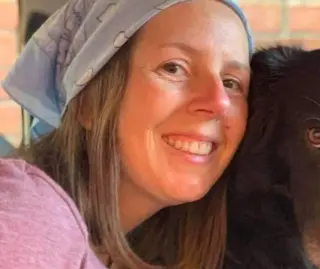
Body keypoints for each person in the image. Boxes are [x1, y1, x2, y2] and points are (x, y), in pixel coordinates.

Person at [0, 0, 253, 268]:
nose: (219, 102)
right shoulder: (28, 218)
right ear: (88, 103)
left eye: (231, 83)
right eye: (173, 68)